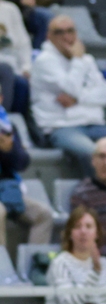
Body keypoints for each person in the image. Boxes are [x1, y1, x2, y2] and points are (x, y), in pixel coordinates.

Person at [31, 16, 106, 178]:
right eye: (59, 32)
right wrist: (77, 60)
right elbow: (72, 87)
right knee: (95, 153)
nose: (66, 37)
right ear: (48, 36)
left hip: (94, 124)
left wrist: (78, 99)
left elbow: (105, 93)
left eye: (70, 31)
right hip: (61, 127)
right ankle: (100, 191)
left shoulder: (87, 60)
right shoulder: (44, 61)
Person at [46, 205, 106, 304]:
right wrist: (95, 272)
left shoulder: (105, 264)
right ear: (70, 233)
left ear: (97, 233)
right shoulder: (60, 263)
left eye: (89, 226)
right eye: (77, 226)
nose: (83, 231)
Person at [0, 101, 51, 249]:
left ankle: (34, 261)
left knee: (43, 214)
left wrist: (8, 150)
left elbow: (23, 163)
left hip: (8, 190)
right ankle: (2, 263)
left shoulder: (7, 127)